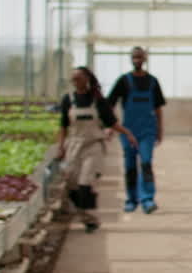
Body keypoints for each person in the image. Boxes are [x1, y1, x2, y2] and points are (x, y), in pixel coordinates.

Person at [56, 66, 137, 233]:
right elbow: (63, 126)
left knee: (85, 182)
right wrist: (60, 147)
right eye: (73, 79)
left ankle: (90, 218)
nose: (75, 82)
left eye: (78, 78)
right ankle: (85, 215)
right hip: (74, 146)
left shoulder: (98, 100)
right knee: (71, 184)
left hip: (93, 146)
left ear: (87, 79)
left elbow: (111, 122)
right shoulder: (68, 100)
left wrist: (127, 133)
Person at [107, 46, 167, 214]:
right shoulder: (124, 81)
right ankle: (132, 199)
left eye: (140, 57)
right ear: (131, 59)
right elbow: (109, 104)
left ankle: (147, 199)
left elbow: (158, 108)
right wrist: (110, 126)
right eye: (134, 58)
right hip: (128, 131)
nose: (137, 61)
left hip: (147, 130)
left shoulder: (153, 82)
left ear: (145, 59)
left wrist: (160, 130)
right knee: (130, 165)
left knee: (146, 162)